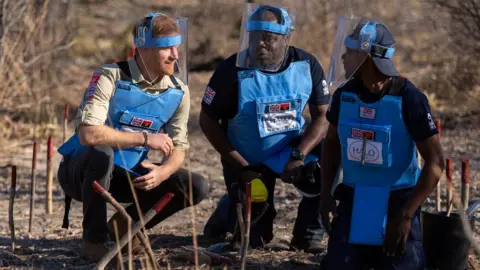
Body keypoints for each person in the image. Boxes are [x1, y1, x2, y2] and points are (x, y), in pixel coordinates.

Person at [56, 12, 208, 261]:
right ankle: (93, 243)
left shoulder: (179, 92)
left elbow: (179, 147)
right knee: (102, 153)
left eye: (177, 47)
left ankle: (123, 231)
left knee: (195, 185)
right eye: (167, 48)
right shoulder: (110, 76)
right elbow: (88, 134)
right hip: (82, 171)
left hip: (127, 174)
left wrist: (163, 172)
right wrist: (146, 140)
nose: (175, 56)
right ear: (144, 48)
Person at [199, 3, 330, 253]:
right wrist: (242, 166)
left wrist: (299, 155)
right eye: (255, 37)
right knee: (256, 240)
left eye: (268, 38)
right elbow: (207, 121)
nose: (260, 44)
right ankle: (227, 211)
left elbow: (322, 117)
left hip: (289, 151)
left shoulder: (306, 64)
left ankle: (308, 233)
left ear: (286, 38)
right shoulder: (230, 71)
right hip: (246, 156)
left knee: (327, 164)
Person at [319, 17, 445, 269]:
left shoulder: (409, 98)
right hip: (354, 197)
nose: (344, 57)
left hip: (399, 201)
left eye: (351, 51)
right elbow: (331, 144)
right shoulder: (345, 96)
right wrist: (325, 194)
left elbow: (435, 162)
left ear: (367, 58)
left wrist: (406, 215)